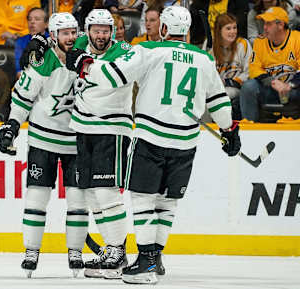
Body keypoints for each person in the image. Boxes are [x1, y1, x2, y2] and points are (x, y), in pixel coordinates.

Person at [66, 5, 241, 284]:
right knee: (167, 202)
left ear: (163, 29)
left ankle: (146, 261)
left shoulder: (148, 51)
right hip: (186, 139)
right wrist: (229, 130)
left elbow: (112, 76)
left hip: (151, 137)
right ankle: (155, 258)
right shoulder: (205, 59)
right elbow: (218, 101)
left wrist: (84, 64)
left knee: (143, 198)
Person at [20, 8, 134, 280]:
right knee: (93, 194)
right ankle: (113, 251)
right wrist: (37, 41)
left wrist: (86, 64)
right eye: (95, 30)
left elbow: (113, 72)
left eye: (106, 30)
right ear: (88, 30)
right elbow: (63, 42)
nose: (100, 35)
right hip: (86, 131)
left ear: (113, 31)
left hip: (111, 129)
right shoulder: (82, 42)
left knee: (105, 194)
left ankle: (118, 251)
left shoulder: (125, 51)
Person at [0, 12, 88, 278]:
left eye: (74, 32)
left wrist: (37, 37)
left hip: (75, 139)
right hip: (43, 138)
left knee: (77, 199)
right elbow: (23, 97)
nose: (70, 37)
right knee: (37, 197)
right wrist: (12, 125)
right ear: (54, 36)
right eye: (64, 33)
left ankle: (75, 252)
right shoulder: (41, 59)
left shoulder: (86, 48)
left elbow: (106, 38)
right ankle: (31, 250)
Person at [240, 7, 300, 122]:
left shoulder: (297, 39)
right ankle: (249, 128)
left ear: (281, 25)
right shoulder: (260, 42)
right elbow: (254, 69)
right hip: (270, 88)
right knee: (248, 87)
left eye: (268, 23)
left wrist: (289, 85)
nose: (264, 27)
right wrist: (273, 82)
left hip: (293, 89)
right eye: (264, 23)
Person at [211, 13, 251, 120]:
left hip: (235, 87)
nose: (233, 32)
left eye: (234, 27)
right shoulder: (211, 45)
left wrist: (230, 82)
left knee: (219, 98)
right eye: (228, 28)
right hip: (215, 88)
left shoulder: (243, 44)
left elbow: (249, 71)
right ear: (219, 30)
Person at [15, 7, 49, 79]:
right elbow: (18, 71)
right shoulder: (21, 41)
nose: (32, 22)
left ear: (46, 24)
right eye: (29, 19)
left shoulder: (53, 41)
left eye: (37, 19)